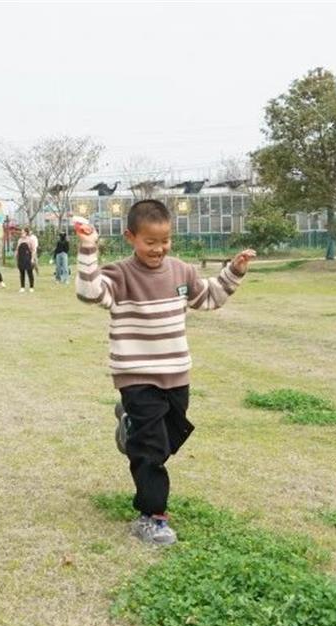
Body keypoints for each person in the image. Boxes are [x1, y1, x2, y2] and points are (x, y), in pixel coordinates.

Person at [75, 199, 256, 546]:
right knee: (152, 449)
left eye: (165, 241)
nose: (159, 249)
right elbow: (89, 292)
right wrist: (87, 248)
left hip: (176, 372)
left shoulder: (181, 271)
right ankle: (152, 516)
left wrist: (234, 271)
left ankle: (130, 426)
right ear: (131, 237)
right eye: (150, 242)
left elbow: (209, 298)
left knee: (171, 434)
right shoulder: (120, 275)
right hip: (137, 374)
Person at [16, 227, 35, 292]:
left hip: (28, 257)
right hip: (21, 258)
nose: (21, 233)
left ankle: (31, 287)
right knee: (22, 273)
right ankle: (22, 287)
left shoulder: (30, 240)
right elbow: (17, 249)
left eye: (23, 232)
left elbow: (33, 250)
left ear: (26, 233)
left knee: (30, 272)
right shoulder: (19, 240)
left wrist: (32, 259)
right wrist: (16, 256)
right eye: (21, 232)